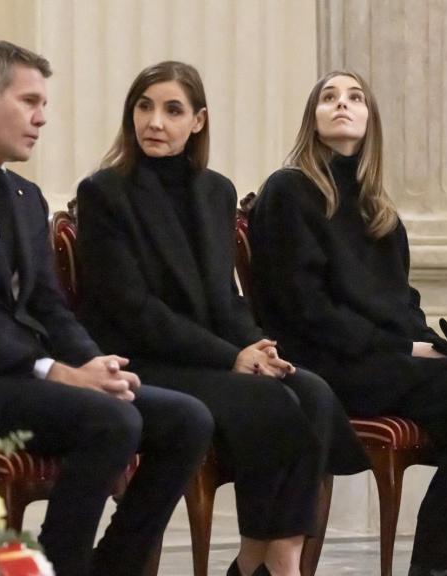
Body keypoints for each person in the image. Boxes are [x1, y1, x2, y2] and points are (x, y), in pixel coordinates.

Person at [0, 41, 213, 576]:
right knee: (111, 420)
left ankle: (112, 567)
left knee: (187, 419)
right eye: (30, 101)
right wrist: (53, 370)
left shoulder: (24, 196)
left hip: (21, 378)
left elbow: (50, 306)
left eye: (44, 104)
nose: (42, 118)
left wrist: (95, 365)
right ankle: (56, 567)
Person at [248, 70, 447, 576]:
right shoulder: (289, 190)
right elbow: (306, 308)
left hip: (381, 360)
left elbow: (401, 302)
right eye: (329, 97)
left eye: (355, 97)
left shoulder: (378, 209)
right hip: (324, 362)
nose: (342, 104)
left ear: (370, 120)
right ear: (312, 118)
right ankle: (442, 564)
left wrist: (433, 344)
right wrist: (403, 348)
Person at [75, 61, 368, 576]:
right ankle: (276, 565)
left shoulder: (216, 191)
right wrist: (231, 357)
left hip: (208, 358)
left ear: (198, 121)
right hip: (143, 358)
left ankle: (258, 558)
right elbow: (134, 310)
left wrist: (258, 346)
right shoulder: (104, 192)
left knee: (312, 392)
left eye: (172, 110)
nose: (154, 122)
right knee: (269, 401)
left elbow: (224, 296)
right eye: (144, 107)